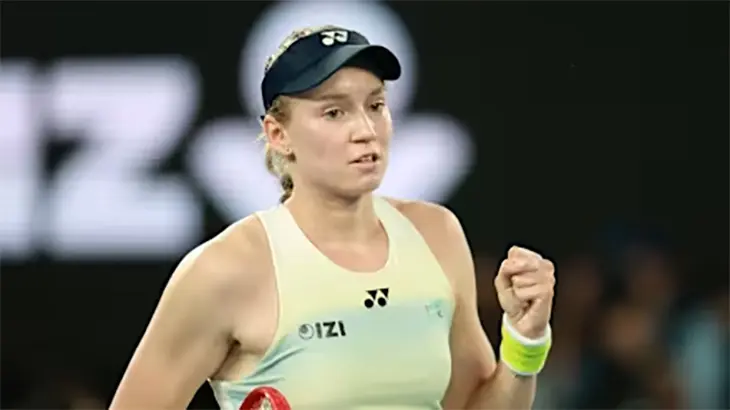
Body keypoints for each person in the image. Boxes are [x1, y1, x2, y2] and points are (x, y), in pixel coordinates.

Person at [109, 25, 556, 410]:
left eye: (376, 105)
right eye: (334, 112)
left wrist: (525, 341)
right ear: (278, 134)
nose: (365, 130)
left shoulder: (436, 235)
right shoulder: (225, 269)